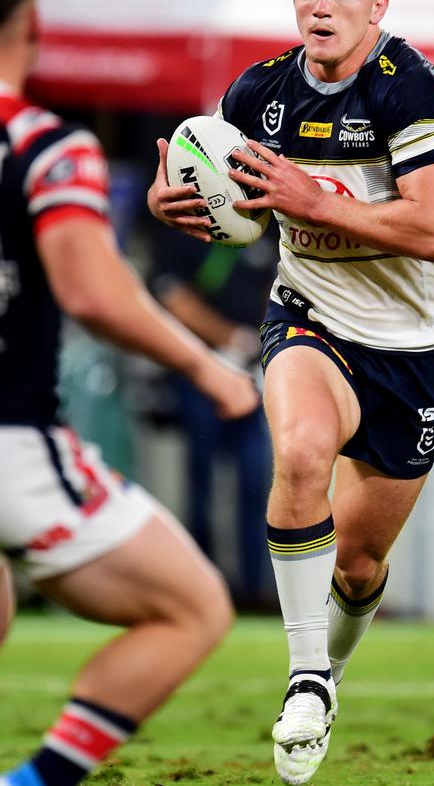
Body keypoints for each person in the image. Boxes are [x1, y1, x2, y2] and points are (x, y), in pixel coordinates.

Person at [148, 0, 434, 785]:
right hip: (310, 314)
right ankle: (304, 681)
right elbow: (219, 186)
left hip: (413, 348)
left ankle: (327, 670)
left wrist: (307, 195)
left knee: (360, 566)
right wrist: (176, 197)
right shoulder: (259, 91)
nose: (320, 6)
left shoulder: (414, 90)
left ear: (376, 6)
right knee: (297, 453)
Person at [0, 0, 259, 786]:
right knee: (192, 607)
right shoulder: (43, 145)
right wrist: (206, 366)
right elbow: (94, 295)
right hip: (12, 443)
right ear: (31, 19)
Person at [152, 224, 276, 604]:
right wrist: (230, 338)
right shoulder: (184, 229)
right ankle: (203, 587)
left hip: (255, 370)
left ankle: (256, 589)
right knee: (202, 479)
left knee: (258, 482)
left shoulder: (266, 228)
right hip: (200, 370)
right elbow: (171, 295)